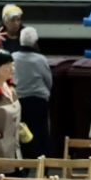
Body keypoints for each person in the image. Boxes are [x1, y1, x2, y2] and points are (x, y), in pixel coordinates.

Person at [13, 27, 55, 159]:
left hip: (19, 101)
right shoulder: (40, 59)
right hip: (38, 101)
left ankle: (23, 163)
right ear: (35, 42)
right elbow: (48, 81)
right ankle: (42, 165)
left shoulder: (12, 57)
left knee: (22, 133)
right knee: (41, 134)